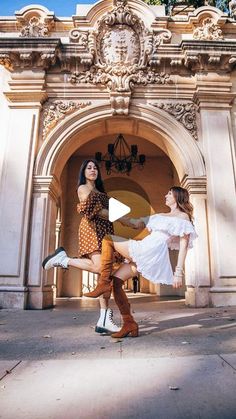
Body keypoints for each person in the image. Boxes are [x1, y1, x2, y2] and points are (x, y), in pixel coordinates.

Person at [84, 186, 197, 339]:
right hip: (145, 251)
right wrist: (116, 215)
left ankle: (102, 283)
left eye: (169, 193)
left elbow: (184, 246)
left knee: (108, 239)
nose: (165, 195)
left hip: (150, 251)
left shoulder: (183, 217)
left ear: (177, 196)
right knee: (116, 282)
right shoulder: (160, 215)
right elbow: (136, 223)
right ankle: (129, 323)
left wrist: (178, 272)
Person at [42, 159, 124, 334]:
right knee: (102, 269)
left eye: (95, 168)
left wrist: (123, 214)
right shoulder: (83, 188)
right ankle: (64, 259)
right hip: (92, 229)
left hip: (105, 230)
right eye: (89, 167)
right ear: (84, 172)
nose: (93, 170)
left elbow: (111, 209)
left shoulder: (99, 191)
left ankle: (103, 319)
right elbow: (97, 212)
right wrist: (122, 217)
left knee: (105, 275)